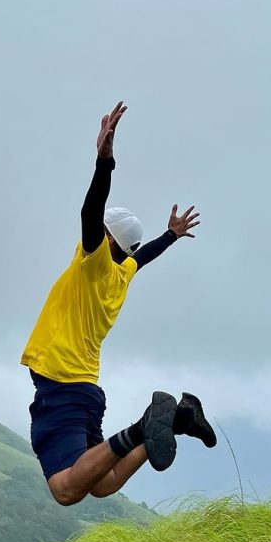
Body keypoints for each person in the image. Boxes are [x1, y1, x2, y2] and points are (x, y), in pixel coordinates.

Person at [21, 101, 217, 507]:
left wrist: (103, 162)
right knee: (103, 482)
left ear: (107, 240)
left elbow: (89, 211)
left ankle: (144, 425)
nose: (88, 234)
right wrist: (171, 236)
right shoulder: (119, 275)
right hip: (85, 387)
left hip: (62, 384)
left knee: (65, 490)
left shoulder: (94, 265)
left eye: (100, 231)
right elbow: (141, 257)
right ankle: (175, 420)